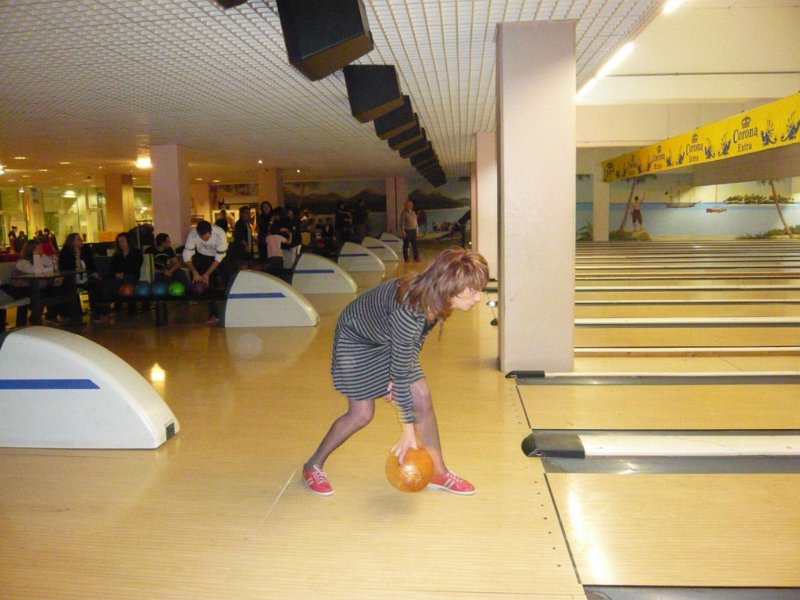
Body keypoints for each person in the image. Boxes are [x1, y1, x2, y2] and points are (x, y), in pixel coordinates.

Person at [302, 246, 490, 497]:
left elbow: (415, 341)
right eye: (473, 291)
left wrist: (399, 373)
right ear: (450, 287)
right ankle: (312, 465)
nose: (478, 298)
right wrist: (407, 429)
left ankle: (438, 472)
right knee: (361, 413)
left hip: (386, 335)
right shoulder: (410, 309)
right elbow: (401, 368)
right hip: (356, 339)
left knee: (420, 393)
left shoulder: (434, 300)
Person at [182, 219, 229, 325]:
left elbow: (219, 257)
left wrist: (207, 273)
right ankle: (214, 315)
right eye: (202, 237)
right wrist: (194, 271)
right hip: (204, 257)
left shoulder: (220, 233)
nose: (204, 239)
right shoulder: (193, 235)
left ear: (211, 231)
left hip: (221, 258)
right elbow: (187, 255)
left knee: (229, 283)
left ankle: (233, 311)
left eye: (206, 237)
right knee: (207, 285)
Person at [58, 232, 104, 323]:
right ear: (72, 242)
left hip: (86, 276)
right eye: (78, 239)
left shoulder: (86, 251)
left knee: (95, 284)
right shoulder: (65, 253)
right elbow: (64, 267)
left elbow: (91, 264)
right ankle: (72, 314)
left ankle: (100, 311)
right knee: (68, 287)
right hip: (71, 277)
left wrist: (94, 273)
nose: (81, 241)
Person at [108, 232, 144, 315]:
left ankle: (123, 306)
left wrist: (123, 274)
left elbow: (135, 267)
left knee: (126, 282)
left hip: (132, 275)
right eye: (119, 242)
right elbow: (112, 268)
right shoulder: (117, 255)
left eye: (123, 241)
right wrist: (116, 274)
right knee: (115, 282)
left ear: (129, 241)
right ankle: (124, 305)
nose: (120, 244)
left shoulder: (136, 253)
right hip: (119, 276)